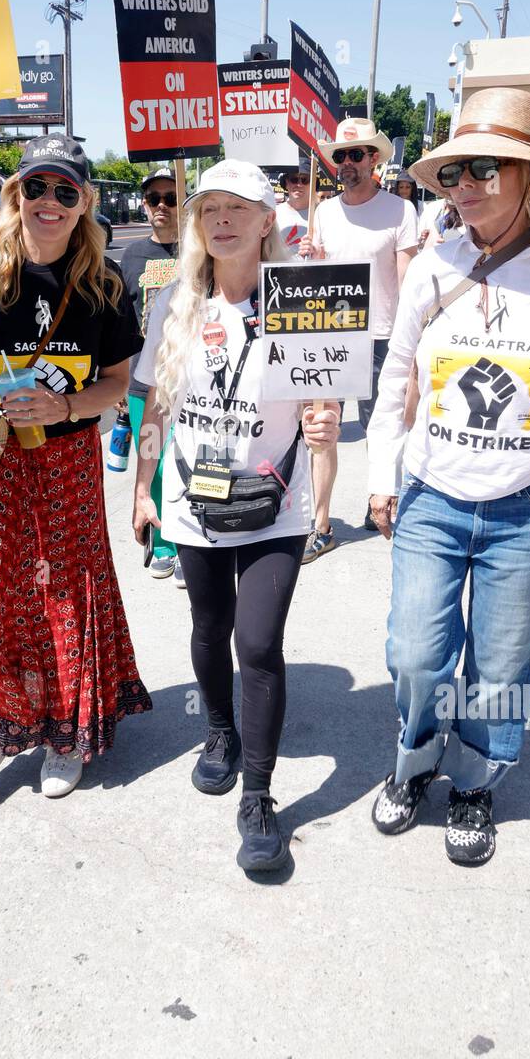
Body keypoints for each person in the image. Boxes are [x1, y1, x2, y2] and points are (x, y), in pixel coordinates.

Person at [366, 88, 530, 866]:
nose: (464, 185)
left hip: (527, 509)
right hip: (431, 500)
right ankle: (414, 762)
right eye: (452, 173)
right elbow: (396, 379)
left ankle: (476, 782)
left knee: (502, 668)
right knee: (415, 655)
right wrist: (381, 474)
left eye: (485, 168)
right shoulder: (432, 269)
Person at [0, 134, 151, 810]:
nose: (49, 202)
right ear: (15, 194)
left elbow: (117, 386)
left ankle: (64, 735)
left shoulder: (103, 286)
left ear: (84, 205)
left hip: (64, 463)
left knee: (64, 601)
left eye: (65, 192)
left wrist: (66, 403)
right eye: (36, 188)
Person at [132, 160, 340, 873]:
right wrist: (142, 491)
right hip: (195, 499)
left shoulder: (301, 299)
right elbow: (155, 407)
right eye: (209, 208)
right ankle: (218, 730)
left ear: (265, 221)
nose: (221, 218)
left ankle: (259, 796)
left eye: (237, 207)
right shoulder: (176, 301)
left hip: (276, 502)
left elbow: (325, 401)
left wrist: (323, 429)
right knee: (208, 626)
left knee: (256, 642)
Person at [298, 118, 418, 554]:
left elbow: (408, 278)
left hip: (382, 337)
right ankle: (322, 524)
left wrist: (413, 340)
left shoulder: (401, 211)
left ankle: (379, 497)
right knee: (323, 431)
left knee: (380, 427)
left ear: (374, 160)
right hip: (331, 334)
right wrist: (307, 258)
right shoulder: (324, 212)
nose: (345, 163)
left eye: (355, 154)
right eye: (340, 156)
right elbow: (316, 279)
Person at [119, 168, 182, 584]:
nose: (161, 205)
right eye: (153, 198)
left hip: (189, 380)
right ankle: (162, 543)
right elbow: (123, 322)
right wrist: (122, 385)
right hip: (145, 380)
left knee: (190, 461)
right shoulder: (133, 255)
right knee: (154, 461)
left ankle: (187, 543)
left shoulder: (199, 251)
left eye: (170, 197)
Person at [274, 163, 312, 252]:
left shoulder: (321, 213)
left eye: (304, 180)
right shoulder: (274, 214)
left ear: (312, 184)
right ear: (286, 183)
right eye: (294, 179)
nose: (299, 184)